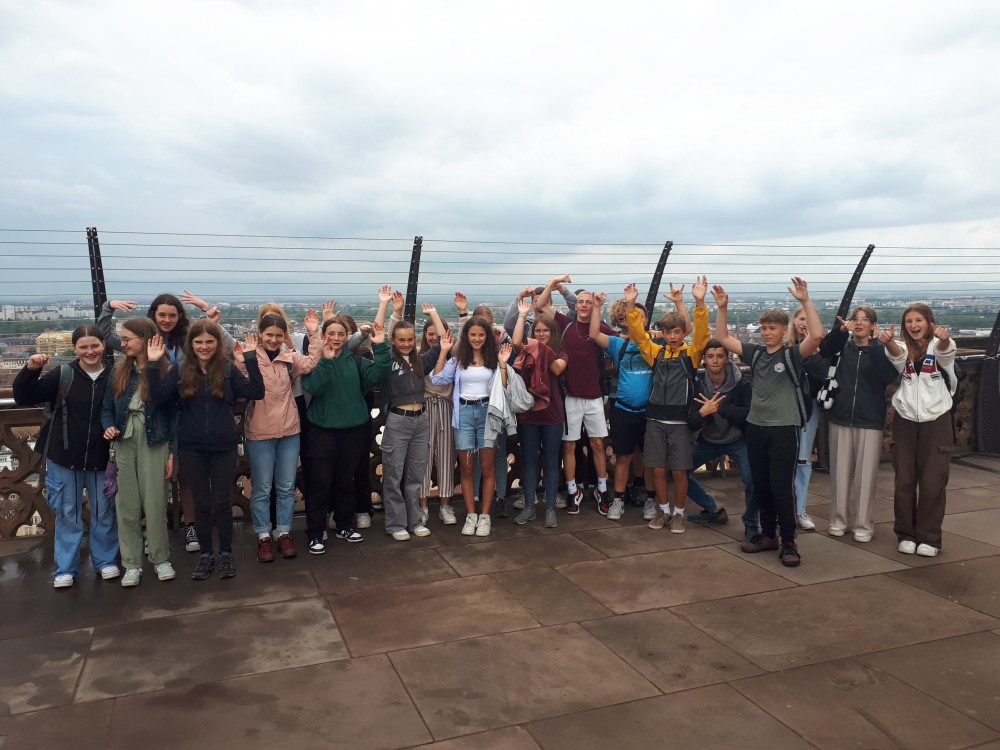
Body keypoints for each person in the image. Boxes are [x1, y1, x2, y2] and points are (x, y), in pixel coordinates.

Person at [712, 279, 823, 567]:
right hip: (757, 426)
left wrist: (805, 301)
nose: (766, 333)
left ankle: (789, 541)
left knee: (781, 488)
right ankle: (769, 535)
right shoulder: (756, 353)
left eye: (772, 328)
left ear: (784, 330)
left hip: (784, 428)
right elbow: (722, 337)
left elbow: (817, 336)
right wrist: (722, 308)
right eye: (763, 328)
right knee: (761, 485)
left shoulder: (792, 355)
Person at [150, 321, 264, 580]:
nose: (204, 346)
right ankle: (206, 554)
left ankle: (225, 553)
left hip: (223, 446)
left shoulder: (227, 370)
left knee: (222, 503)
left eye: (209, 341)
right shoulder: (180, 370)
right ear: (190, 345)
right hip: (192, 448)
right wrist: (154, 365)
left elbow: (257, 392)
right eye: (199, 342)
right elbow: (157, 399)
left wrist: (250, 359)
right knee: (201, 504)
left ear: (217, 343)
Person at [14, 326, 119, 588]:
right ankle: (66, 568)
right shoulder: (63, 374)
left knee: (103, 511)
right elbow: (24, 397)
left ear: (103, 346)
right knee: (67, 512)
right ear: (75, 349)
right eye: (83, 347)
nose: (90, 351)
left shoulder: (116, 376)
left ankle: (105, 560)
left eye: (94, 345)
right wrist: (31, 369)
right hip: (64, 455)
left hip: (102, 455)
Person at [99, 293, 203, 554]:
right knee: (145, 482)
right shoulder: (135, 340)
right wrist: (108, 307)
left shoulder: (186, 342)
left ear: (179, 317)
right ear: (153, 316)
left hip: (185, 412)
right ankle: (150, 534)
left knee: (183, 474)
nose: (167, 319)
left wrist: (206, 312)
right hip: (152, 416)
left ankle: (189, 526)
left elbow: (212, 343)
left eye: (172, 315)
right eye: (162, 314)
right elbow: (105, 335)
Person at [623, 279, 710, 533]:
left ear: (684, 333)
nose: (672, 337)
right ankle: (664, 511)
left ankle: (679, 514)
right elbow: (639, 337)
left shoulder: (691, 354)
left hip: (681, 422)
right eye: (668, 332)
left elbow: (702, 335)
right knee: (658, 469)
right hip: (655, 420)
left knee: (680, 472)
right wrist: (630, 306)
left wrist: (700, 302)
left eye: (677, 332)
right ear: (663, 333)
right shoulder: (657, 353)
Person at [236, 309, 321, 562]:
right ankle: (264, 536)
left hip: (289, 431)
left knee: (286, 487)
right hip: (259, 432)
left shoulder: (288, 357)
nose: (274, 340)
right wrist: (245, 360)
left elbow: (313, 362)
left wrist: (314, 333)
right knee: (262, 488)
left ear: (284, 336)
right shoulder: (249, 357)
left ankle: (283, 532)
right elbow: (241, 388)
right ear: (260, 334)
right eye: (269, 335)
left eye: (278, 335)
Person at [302, 316, 390, 553]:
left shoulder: (358, 362)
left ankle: (344, 525)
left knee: (345, 480)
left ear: (347, 336)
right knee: (320, 482)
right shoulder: (315, 361)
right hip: (323, 430)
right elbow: (315, 387)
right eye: (331, 333)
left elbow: (380, 375)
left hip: (352, 430)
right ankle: (315, 532)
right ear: (323, 336)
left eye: (341, 334)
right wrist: (327, 362)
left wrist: (381, 346)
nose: (336, 338)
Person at [101, 318, 176, 586]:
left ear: (145, 339)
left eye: (127, 339)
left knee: (155, 503)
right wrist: (108, 426)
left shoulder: (167, 372)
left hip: (154, 440)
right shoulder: (118, 371)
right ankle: (131, 563)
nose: (122, 344)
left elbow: (172, 414)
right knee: (126, 505)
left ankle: (160, 557)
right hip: (124, 439)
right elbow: (107, 409)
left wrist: (172, 453)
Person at [818, 307, 901, 543]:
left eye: (866, 320)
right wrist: (840, 331)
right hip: (841, 415)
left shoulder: (880, 351)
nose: (860, 323)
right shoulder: (842, 348)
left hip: (870, 418)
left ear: (873, 325)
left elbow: (888, 377)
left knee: (866, 477)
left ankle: (863, 525)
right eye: (856, 319)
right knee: (839, 474)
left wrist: (875, 345)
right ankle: (838, 521)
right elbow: (823, 349)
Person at [535, 275, 615, 514]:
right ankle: (573, 491)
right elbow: (540, 305)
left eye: (588, 302)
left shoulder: (599, 328)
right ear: (575, 305)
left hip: (594, 395)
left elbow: (622, 340)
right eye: (580, 301)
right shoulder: (565, 323)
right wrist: (553, 283)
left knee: (598, 443)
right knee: (569, 444)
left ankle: (602, 488)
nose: (584, 305)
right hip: (570, 395)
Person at [588, 294, 670, 521]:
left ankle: (650, 500)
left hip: (649, 410)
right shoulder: (618, 344)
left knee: (649, 458)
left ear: (645, 320)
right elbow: (594, 334)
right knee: (623, 456)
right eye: (633, 315)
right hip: (623, 408)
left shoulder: (656, 343)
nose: (635, 318)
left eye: (640, 316)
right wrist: (597, 307)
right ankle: (618, 499)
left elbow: (683, 334)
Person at [887, 303, 957, 557]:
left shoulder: (939, 346)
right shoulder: (903, 348)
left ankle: (929, 538)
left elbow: (945, 352)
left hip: (936, 421)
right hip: (905, 421)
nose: (913, 325)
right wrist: (888, 342)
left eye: (918, 320)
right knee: (904, 480)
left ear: (929, 322)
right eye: (909, 321)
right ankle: (906, 534)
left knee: (932, 481)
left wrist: (943, 339)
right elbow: (896, 356)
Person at [429, 317, 509, 536]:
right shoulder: (458, 360)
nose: (477, 339)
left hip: (487, 413)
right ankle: (471, 514)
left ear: (487, 337)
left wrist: (503, 364)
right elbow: (437, 379)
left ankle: (485, 516)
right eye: (473, 334)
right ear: (466, 336)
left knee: (487, 467)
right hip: (463, 414)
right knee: (466, 468)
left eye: (481, 335)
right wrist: (443, 352)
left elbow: (504, 386)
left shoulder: (494, 359)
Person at [380, 304, 444, 540]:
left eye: (410, 339)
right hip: (398, 420)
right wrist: (387, 307)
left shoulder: (421, 361)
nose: (406, 344)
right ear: (393, 341)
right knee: (393, 475)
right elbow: (378, 338)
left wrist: (434, 314)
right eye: (401, 340)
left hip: (421, 420)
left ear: (415, 339)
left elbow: (442, 342)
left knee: (416, 475)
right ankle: (396, 524)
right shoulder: (387, 360)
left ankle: (414, 520)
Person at [684, 339, 759, 541]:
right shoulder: (698, 384)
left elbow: (751, 413)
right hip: (708, 441)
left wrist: (723, 409)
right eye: (710, 357)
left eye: (719, 356)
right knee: (679, 470)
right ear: (704, 360)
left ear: (727, 358)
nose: (715, 361)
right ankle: (713, 509)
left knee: (752, 479)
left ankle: (751, 522)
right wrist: (702, 413)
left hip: (738, 440)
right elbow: (692, 422)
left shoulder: (741, 383)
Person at [511, 298, 568, 527]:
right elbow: (516, 342)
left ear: (552, 333)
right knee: (529, 460)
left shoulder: (560, 353)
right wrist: (522, 315)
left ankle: (551, 507)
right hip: (529, 414)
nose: (542, 334)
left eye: (545, 331)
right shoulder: (527, 352)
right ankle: (529, 507)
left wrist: (541, 349)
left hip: (552, 415)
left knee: (551, 461)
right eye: (538, 331)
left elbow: (557, 369)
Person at [788, 307, 828, 531]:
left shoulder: (822, 350)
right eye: (801, 319)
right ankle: (784, 509)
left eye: (808, 319)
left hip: (809, 410)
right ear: (794, 322)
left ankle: (800, 509)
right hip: (785, 410)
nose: (804, 323)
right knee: (784, 461)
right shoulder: (786, 349)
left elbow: (822, 378)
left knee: (803, 459)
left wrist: (813, 352)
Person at [417, 313, 457, 525]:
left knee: (446, 458)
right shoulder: (419, 356)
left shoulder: (453, 356)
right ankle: (422, 506)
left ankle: (444, 505)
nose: (434, 337)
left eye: (437, 333)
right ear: (424, 335)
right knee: (422, 459)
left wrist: (434, 315)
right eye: (430, 333)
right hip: (424, 408)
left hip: (445, 407)